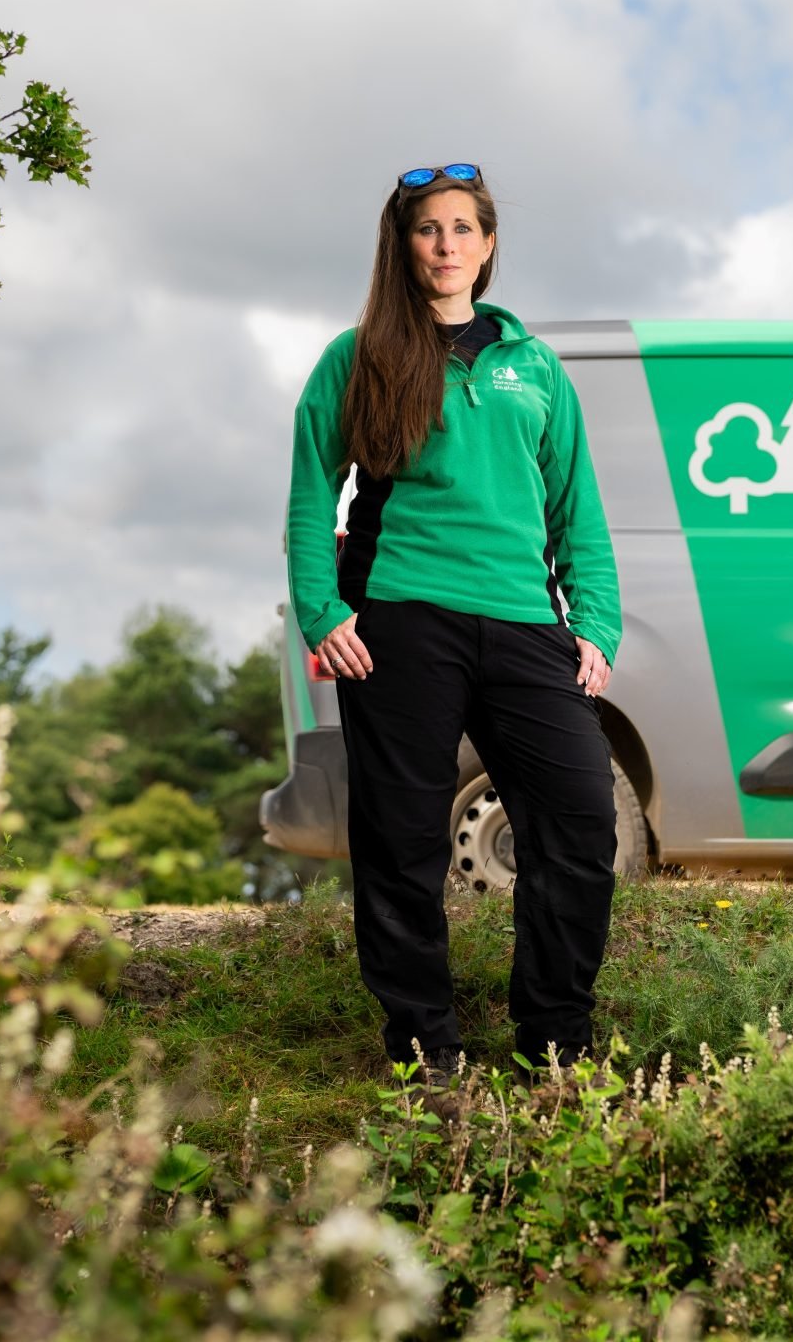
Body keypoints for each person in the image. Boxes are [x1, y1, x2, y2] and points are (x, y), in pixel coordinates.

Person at [284, 164, 623, 1080]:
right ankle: (423, 1048)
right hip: (399, 620)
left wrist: (595, 625)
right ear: (403, 245)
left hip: (523, 624)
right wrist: (323, 610)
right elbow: (314, 493)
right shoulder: (358, 357)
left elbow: (576, 508)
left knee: (583, 823)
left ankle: (555, 1043)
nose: (445, 246)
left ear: (489, 243)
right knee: (401, 840)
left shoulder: (533, 364)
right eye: (427, 229)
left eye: (462, 228)